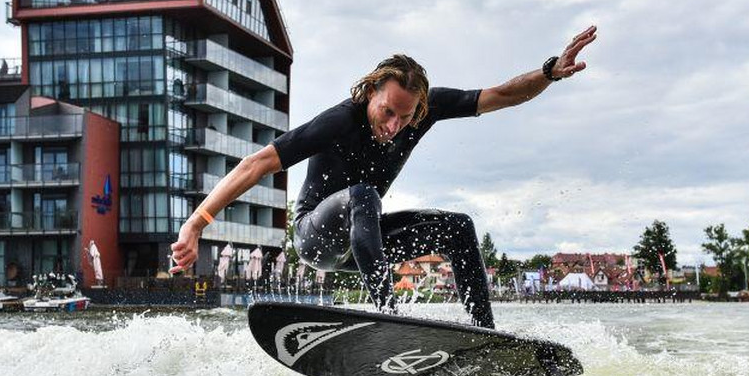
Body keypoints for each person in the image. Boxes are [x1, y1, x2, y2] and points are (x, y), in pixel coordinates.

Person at [170, 27, 597, 327]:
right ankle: (387, 319)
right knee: (363, 194)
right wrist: (195, 224)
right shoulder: (339, 120)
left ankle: (485, 334)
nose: (393, 124)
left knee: (458, 228)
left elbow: (502, 94)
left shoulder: (424, 111)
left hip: (363, 242)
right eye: (386, 111)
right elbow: (256, 164)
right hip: (315, 238)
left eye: (404, 116)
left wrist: (548, 72)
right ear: (370, 92)